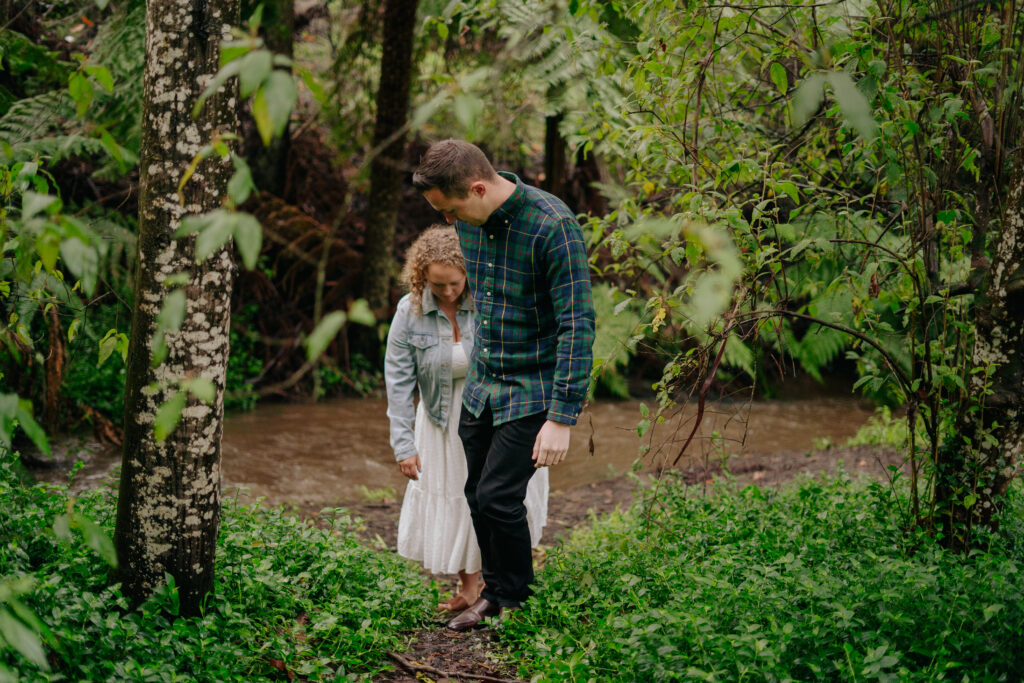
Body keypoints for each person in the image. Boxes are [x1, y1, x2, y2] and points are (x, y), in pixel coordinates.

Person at [412, 140, 595, 631]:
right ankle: (494, 593)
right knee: (476, 493)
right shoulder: (471, 227)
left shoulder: (552, 227)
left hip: (532, 388)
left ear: (476, 189)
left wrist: (562, 416)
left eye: (450, 211)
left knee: (498, 496)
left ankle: (516, 600)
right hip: (483, 386)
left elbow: (577, 323)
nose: (449, 223)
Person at [384, 224, 549, 613]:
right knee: (461, 497)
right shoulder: (409, 312)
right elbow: (397, 380)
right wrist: (403, 444)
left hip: (496, 414)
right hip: (440, 422)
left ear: (469, 272)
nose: (447, 292)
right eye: (436, 285)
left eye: (454, 283)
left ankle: (501, 584)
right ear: (421, 277)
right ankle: (470, 586)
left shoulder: (491, 302)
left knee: (494, 496)